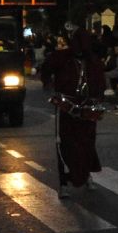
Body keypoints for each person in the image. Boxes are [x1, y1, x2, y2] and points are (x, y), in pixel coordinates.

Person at [39, 29, 106, 197]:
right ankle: (64, 183)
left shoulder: (93, 61)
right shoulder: (61, 57)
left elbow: (100, 83)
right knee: (65, 143)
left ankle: (86, 175)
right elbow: (45, 71)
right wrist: (49, 86)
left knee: (87, 143)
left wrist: (98, 100)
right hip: (66, 107)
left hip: (86, 109)